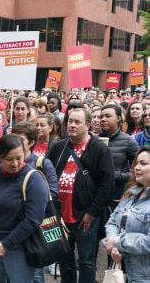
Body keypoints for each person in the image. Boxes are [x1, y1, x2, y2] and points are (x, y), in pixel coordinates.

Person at [46, 107, 114, 283]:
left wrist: (91, 213)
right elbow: (47, 175)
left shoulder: (99, 149)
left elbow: (106, 186)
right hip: (60, 216)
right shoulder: (59, 147)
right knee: (64, 259)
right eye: (70, 121)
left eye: (77, 122)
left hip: (85, 216)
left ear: (88, 126)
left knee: (86, 261)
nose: (72, 125)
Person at [0, 134, 48, 283]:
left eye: (19, 158)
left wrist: (5, 244)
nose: (15, 163)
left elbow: (33, 220)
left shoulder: (33, 179)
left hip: (19, 248)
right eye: (9, 159)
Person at [104, 146, 150, 283]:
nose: (136, 167)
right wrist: (113, 245)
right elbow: (112, 221)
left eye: (143, 163)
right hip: (121, 271)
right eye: (136, 163)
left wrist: (118, 242)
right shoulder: (131, 194)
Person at [99, 105, 139, 204]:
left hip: (116, 193)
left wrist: (120, 176)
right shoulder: (92, 139)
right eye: (101, 116)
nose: (103, 119)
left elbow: (139, 170)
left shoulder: (128, 141)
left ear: (118, 118)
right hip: (93, 191)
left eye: (108, 116)